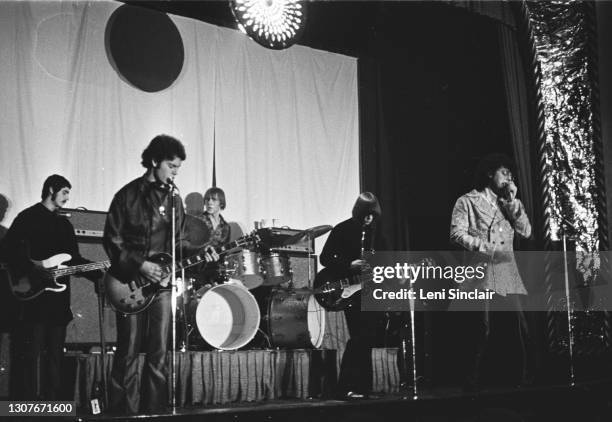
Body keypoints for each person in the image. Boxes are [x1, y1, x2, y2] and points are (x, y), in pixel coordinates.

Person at [103, 134, 217, 414]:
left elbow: (179, 245)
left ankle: (155, 411)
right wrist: (141, 265)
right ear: (155, 161)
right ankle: (123, 412)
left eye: (179, 167)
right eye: (171, 165)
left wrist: (206, 254)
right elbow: (112, 240)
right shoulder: (126, 196)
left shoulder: (175, 200)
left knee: (159, 353)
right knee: (127, 351)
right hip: (129, 282)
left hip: (163, 286)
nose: (176, 172)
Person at [2, 174, 101, 400]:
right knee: (29, 356)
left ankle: (53, 406)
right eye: (64, 192)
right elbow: (8, 251)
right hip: (32, 300)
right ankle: (26, 408)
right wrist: (34, 269)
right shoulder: (27, 218)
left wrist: (99, 272)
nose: (67, 197)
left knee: (55, 357)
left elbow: (73, 259)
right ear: (51, 189)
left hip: (58, 302)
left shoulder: (64, 224)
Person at [450, 153, 533, 391]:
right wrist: (486, 248)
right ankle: (471, 382)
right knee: (481, 328)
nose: (509, 178)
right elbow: (456, 234)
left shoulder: (509, 204)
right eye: (504, 172)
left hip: (507, 272)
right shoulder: (466, 201)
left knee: (518, 326)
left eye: (511, 175)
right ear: (489, 173)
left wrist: (513, 202)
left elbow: (525, 232)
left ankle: (520, 380)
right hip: (480, 270)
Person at [320, 192, 385, 400]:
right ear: (359, 212)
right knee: (359, 336)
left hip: (369, 288)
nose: (369, 219)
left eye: (373, 215)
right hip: (348, 289)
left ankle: (363, 387)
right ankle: (344, 387)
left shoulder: (377, 233)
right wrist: (349, 264)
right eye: (366, 215)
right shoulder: (342, 229)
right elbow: (325, 258)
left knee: (367, 337)